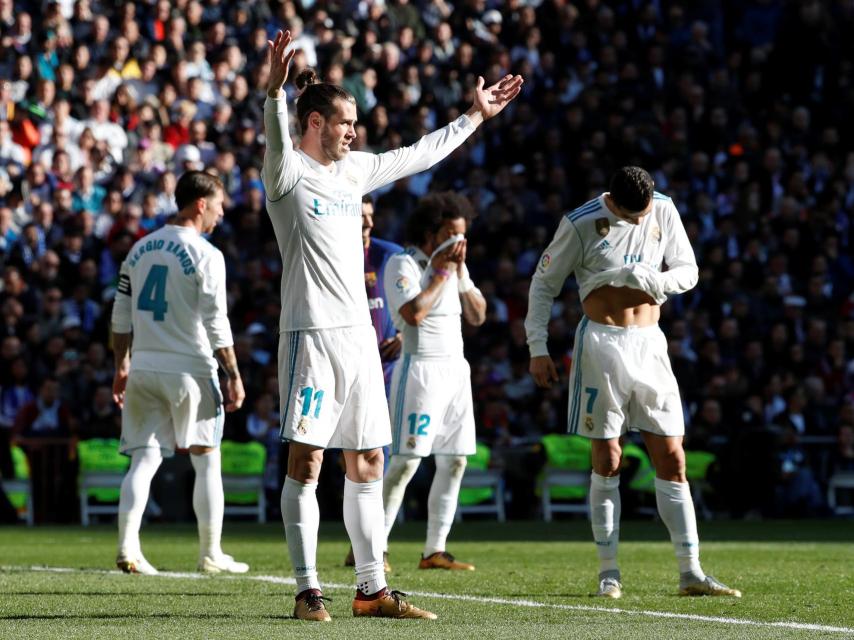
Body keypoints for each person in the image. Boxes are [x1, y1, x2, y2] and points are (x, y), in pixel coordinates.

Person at [262, 29, 521, 622]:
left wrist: (474, 117)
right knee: (307, 464)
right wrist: (274, 93)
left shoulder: (354, 172)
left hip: (358, 342)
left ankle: (371, 588)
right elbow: (276, 139)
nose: (354, 131)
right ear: (315, 121)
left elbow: (419, 153)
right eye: (345, 121)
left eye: (354, 122)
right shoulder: (287, 175)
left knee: (369, 462)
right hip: (311, 336)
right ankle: (307, 591)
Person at [525, 166, 740, 600]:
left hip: (651, 345)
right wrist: (538, 347)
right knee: (608, 458)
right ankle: (609, 572)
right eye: (631, 216)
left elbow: (688, 270)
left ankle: (691, 572)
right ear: (613, 202)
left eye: (644, 213)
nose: (641, 221)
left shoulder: (662, 208)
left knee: (673, 456)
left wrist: (658, 281)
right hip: (601, 346)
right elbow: (544, 284)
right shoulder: (581, 222)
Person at [110, 170, 247, 576]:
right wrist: (233, 373)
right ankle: (210, 553)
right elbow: (216, 322)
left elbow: (120, 316)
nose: (222, 215)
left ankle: (127, 549)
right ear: (200, 204)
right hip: (191, 369)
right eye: (219, 205)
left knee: (144, 459)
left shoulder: (138, 249)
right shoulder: (207, 254)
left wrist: (121, 365)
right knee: (207, 459)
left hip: (145, 366)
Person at [381, 191, 486, 571]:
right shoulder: (403, 264)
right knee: (406, 462)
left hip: (455, 370)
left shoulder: (456, 266)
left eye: (463, 234)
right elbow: (413, 314)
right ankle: (375, 549)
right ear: (431, 232)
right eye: (452, 233)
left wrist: (458, 275)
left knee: (456, 460)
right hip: (420, 369)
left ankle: (434, 550)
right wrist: (441, 273)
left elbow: (477, 316)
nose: (460, 242)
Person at [342, 194, 403, 570]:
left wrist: (405, 336)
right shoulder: (336, 254)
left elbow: (412, 301)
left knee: (382, 457)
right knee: (351, 459)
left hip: (390, 371)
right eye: (360, 216)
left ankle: (373, 546)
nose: (366, 223)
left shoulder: (391, 255)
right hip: (350, 365)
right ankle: (363, 544)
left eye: (370, 216)